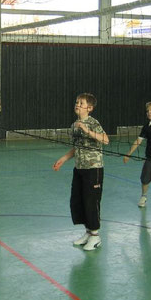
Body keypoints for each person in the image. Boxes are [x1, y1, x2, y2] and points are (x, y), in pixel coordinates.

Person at [53, 93, 109, 251]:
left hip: (94, 168)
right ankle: (88, 232)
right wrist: (63, 159)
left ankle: (96, 236)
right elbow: (77, 148)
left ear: (89, 108)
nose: (77, 104)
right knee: (78, 201)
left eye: (81, 103)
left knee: (92, 202)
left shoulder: (93, 123)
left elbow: (105, 139)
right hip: (79, 168)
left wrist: (87, 130)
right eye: (77, 102)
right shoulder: (74, 125)